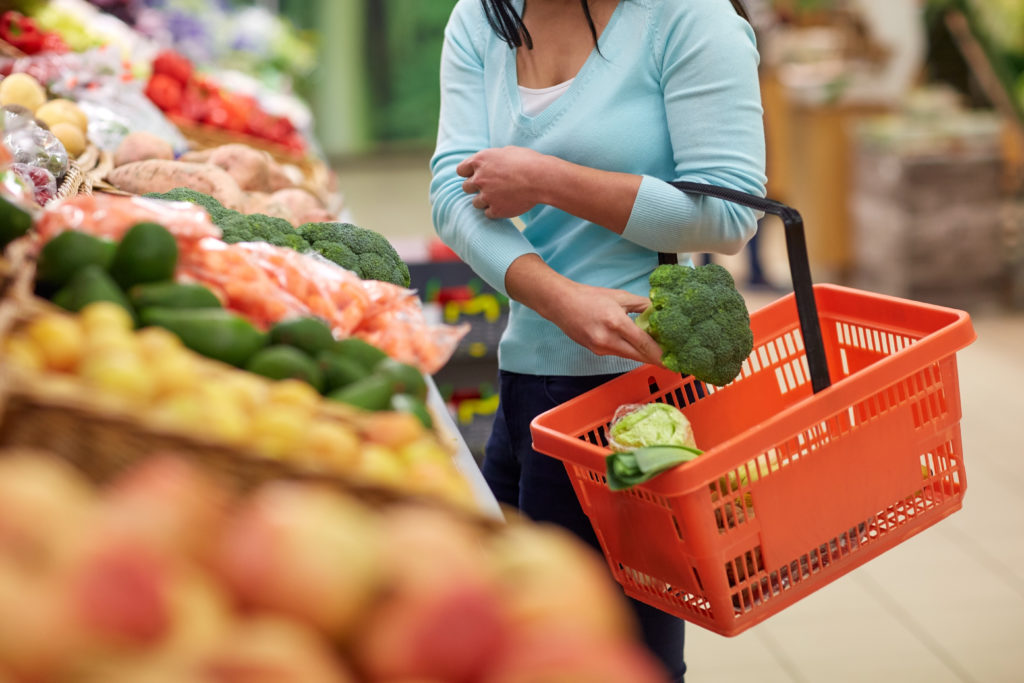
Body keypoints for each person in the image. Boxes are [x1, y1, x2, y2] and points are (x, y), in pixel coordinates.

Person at [429, 0, 766, 679]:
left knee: (613, 656)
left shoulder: (688, 20)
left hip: (634, 401)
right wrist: (558, 299)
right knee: (514, 645)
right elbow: (452, 190)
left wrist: (546, 179)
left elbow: (730, 212)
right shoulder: (482, 18)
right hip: (526, 380)